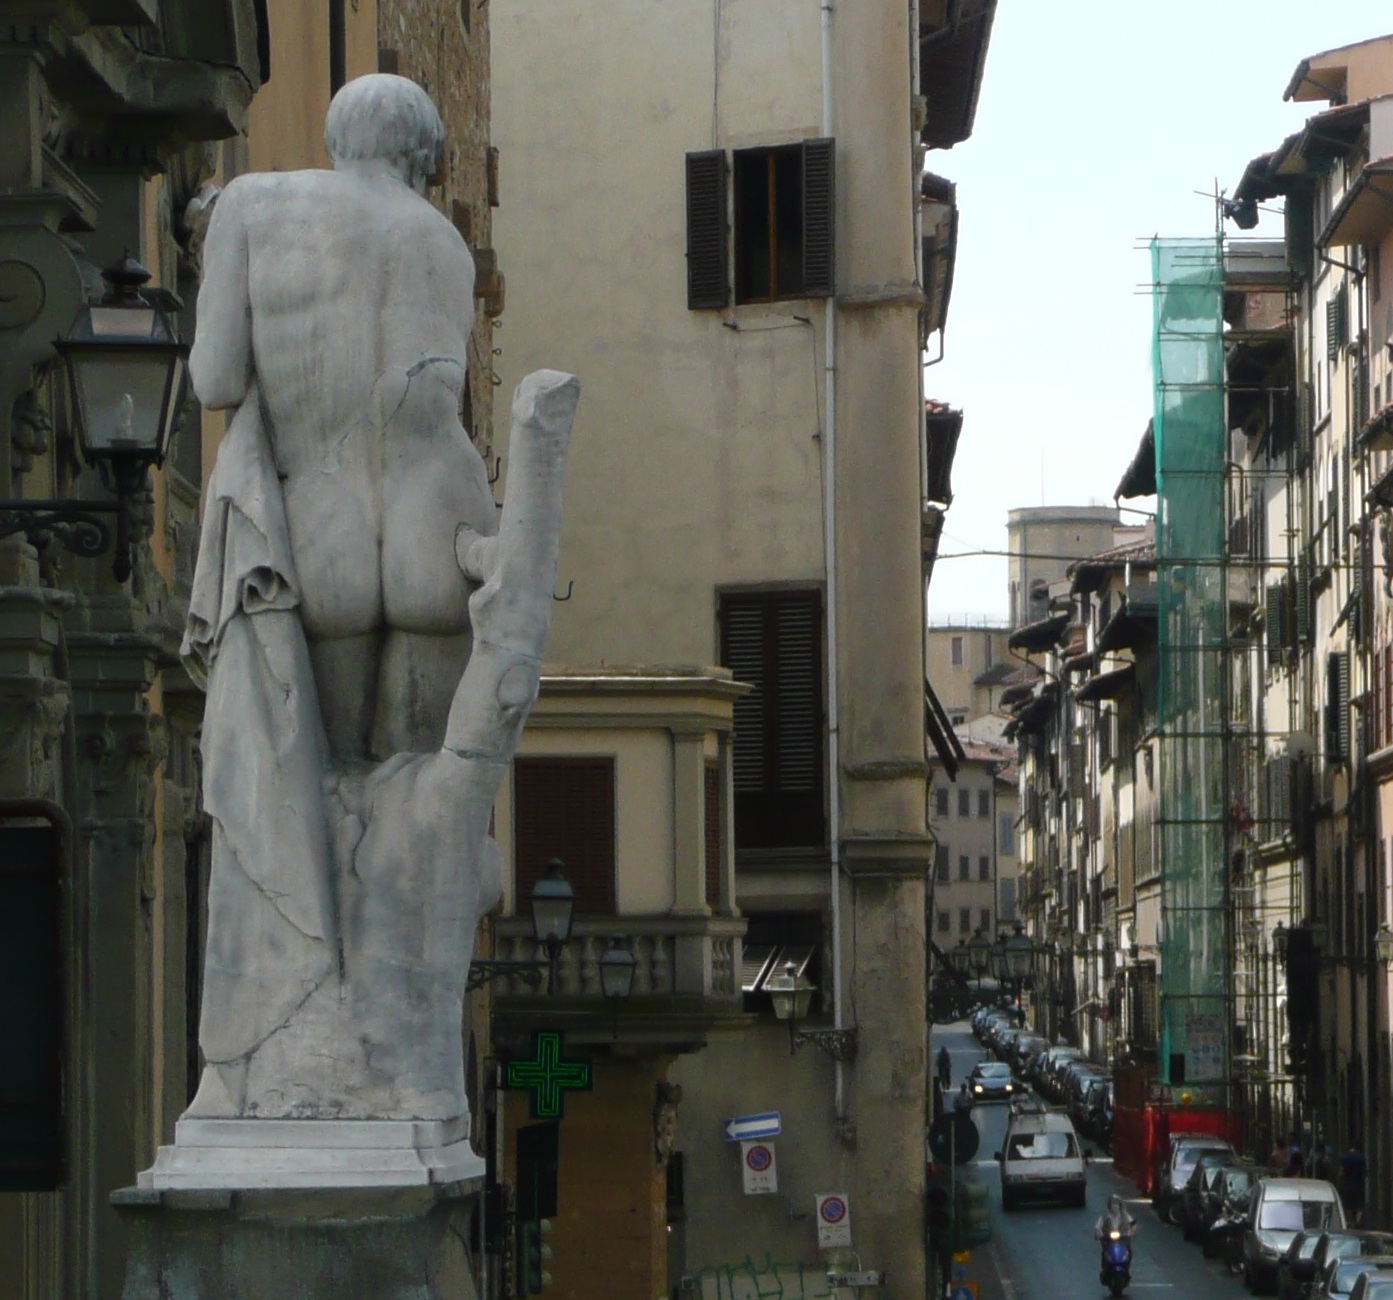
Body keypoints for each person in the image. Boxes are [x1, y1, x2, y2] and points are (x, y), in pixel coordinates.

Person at [1341, 1143, 1368, 1225]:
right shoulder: (1361, 1158)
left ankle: (1350, 1222)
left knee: (1349, 1206)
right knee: (1359, 1206)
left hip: (1347, 1185)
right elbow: (1365, 1172)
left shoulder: (1344, 1158)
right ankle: (1357, 1222)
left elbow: (1341, 1172)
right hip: (1359, 1186)